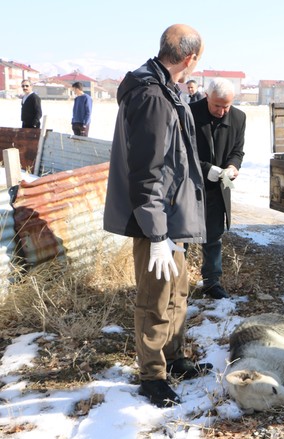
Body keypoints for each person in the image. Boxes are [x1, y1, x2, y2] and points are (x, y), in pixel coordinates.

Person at [103, 24, 212, 408]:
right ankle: (152, 376)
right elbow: (147, 173)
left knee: (178, 291)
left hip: (171, 218)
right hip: (157, 222)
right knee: (155, 298)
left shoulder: (167, 88)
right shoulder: (151, 95)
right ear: (190, 58)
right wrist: (157, 235)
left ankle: (174, 358)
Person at [189, 77, 245, 299]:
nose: (222, 112)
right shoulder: (189, 113)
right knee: (182, 236)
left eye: (226, 106)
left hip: (218, 188)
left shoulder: (239, 118)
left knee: (213, 236)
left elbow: (238, 151)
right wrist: (204, 168)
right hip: (190, 185)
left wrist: (232, 166)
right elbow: (181, 151)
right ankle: (176, 284)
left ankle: (211, 282)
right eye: (217, 106)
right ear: (206, 97)